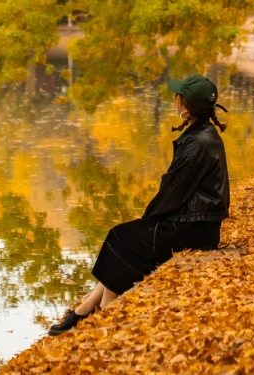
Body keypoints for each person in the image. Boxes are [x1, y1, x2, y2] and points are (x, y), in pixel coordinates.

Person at [47, 73, 230, 335]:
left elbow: (171, 193)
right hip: (198, 222)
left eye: (177, 97)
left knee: (124, 238)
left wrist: (148, 220)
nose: (174, 100)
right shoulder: (202, 134)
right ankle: (87, 308)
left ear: (185, 105)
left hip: (196, 228)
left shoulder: (197, 144)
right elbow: (177, 192)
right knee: (125, 238)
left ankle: (106, 314)